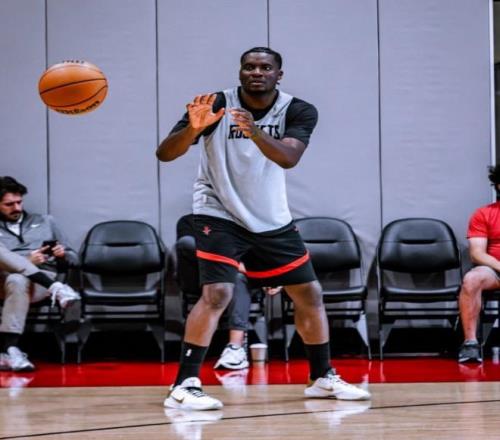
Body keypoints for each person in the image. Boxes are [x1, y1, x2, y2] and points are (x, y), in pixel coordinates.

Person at [157, 47, 371, 410]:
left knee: (309, 293)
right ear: (240, 72)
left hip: (270, 216)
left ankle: (321, 377)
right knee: (217, 293)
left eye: (265, 67)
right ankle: (184, 384)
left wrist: (254, 131)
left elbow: (288, 157)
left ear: (278, 75)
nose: (256, 72)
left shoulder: (298, 110)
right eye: (249, 67)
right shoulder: (214, 104)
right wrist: (192, 129)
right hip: (218, 211)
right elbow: (165, 153)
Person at [0, 176, 80, 371]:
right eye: (9, 204)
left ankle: (9, 350)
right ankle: (58, 289)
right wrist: (27, 261)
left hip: (39, 285)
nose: (17, 208)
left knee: (18, 279)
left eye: (19, 202)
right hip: (2, 283)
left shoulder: (45, 221)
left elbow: (75, 259)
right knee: (15, 278)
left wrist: (63, 254)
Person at [176, 213, 254, 370]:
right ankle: (190, 365)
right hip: (200, 278)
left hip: (234, 277)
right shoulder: (189, 221)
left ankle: (235, 347)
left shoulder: (239, 221)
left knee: (236, 279)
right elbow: (187, 246)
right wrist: (233, 265)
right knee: (187, 243)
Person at [458, 165, 500, 363]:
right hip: (495, 270)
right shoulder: (483, 214)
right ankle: (471, 344)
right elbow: (477, 254)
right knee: (472, 279)